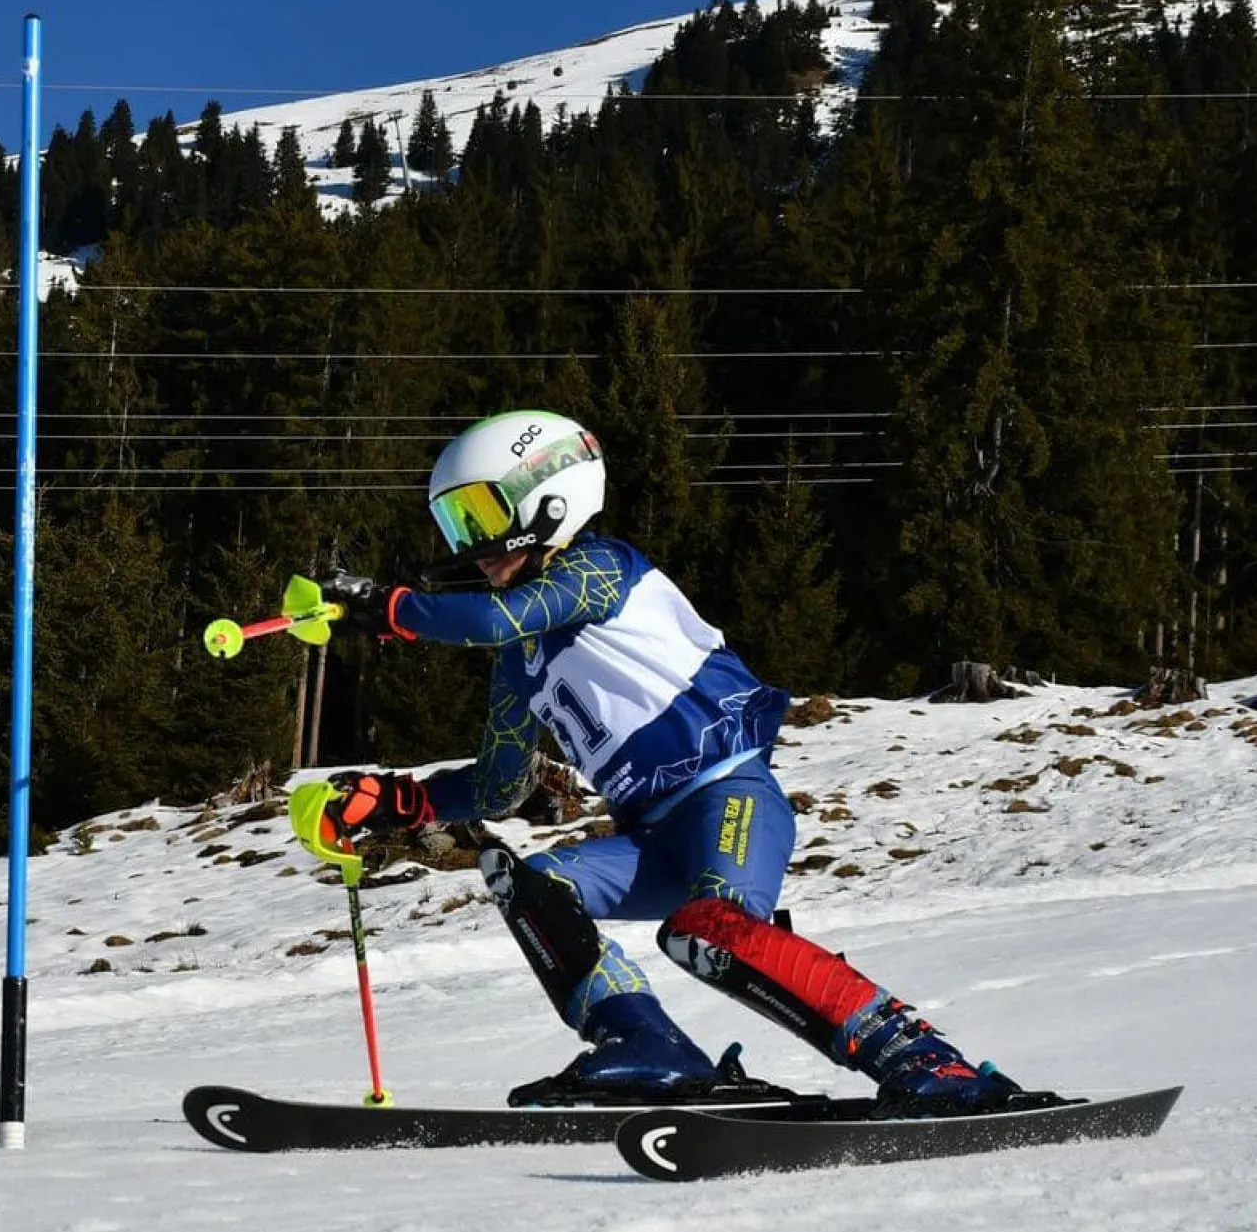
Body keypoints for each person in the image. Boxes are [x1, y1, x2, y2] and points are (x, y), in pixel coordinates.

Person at [312, 409, 1022, 1115]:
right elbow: (499, 786)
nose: (473, 546)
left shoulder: (598, 568)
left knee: (707, 930)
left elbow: (496, 617)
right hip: (652, 837)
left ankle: (926, 1062)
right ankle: (647, 1046)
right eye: (456, 525)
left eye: (481, 515)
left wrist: (389, 607)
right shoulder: (517, 661)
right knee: (532, 883)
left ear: (548, 499)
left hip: (728, 797)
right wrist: (401, 802)